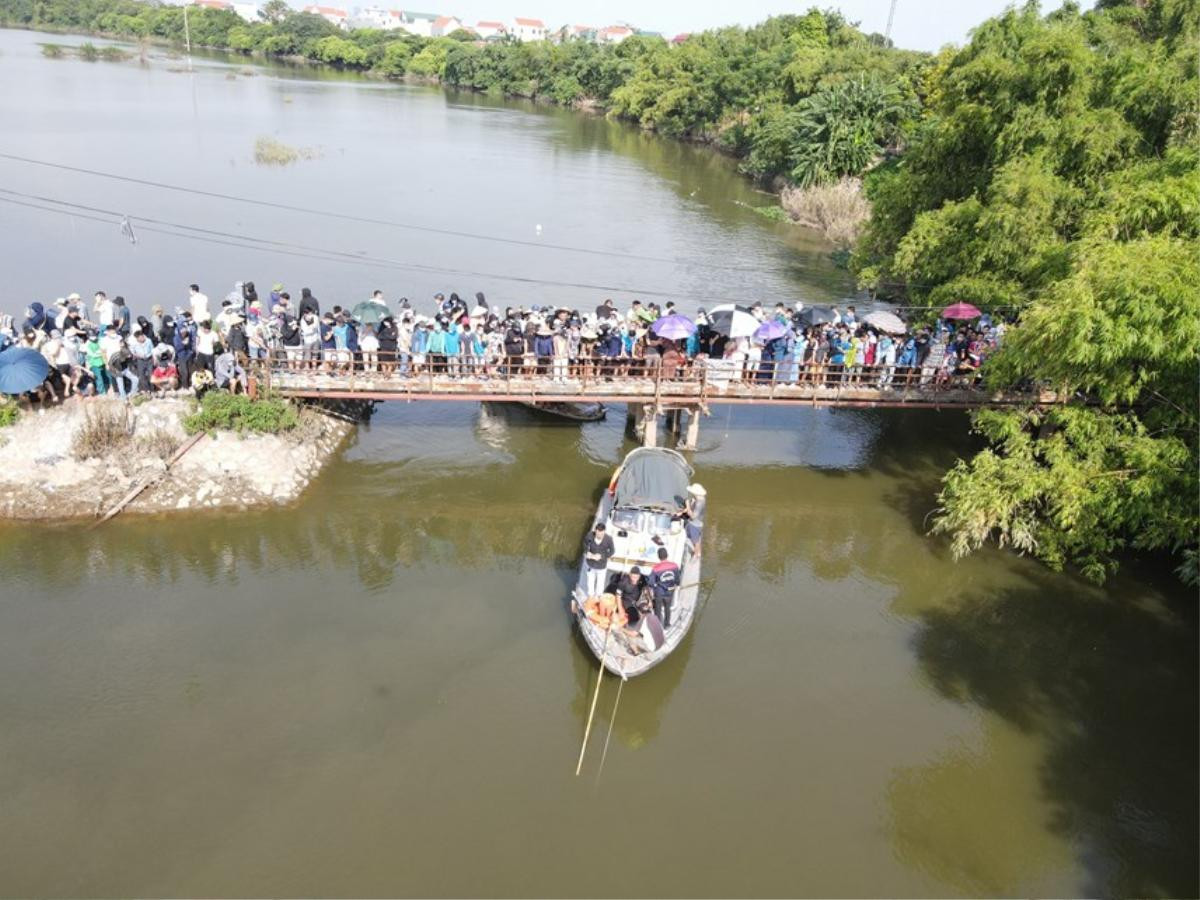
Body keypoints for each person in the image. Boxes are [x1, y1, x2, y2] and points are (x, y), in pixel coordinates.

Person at [648, 547, 681, 628]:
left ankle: (658, 626)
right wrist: (677, 585)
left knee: (658, 609)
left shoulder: (656, 568)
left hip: (659, 592)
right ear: (667, 555)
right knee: (667, 608)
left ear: (658, 557)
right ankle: (667, 624)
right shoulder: (674, 566)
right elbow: (677, 579)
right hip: (670, 591)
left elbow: (651, 582)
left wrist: (655, 586)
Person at [583, 523, 615, 599]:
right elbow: (584, 544)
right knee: (590, 581)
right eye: (598, 532)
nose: (599, 534)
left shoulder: (609, 539)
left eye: (601, 533)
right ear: (595, 531)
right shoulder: (590, 535)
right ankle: (590, 596)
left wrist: (602, 556)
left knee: (600, 582)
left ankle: (598, 596)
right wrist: (587, 552)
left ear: (604, 531)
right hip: (591, 564)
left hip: (601, 566)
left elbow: (612, 551)